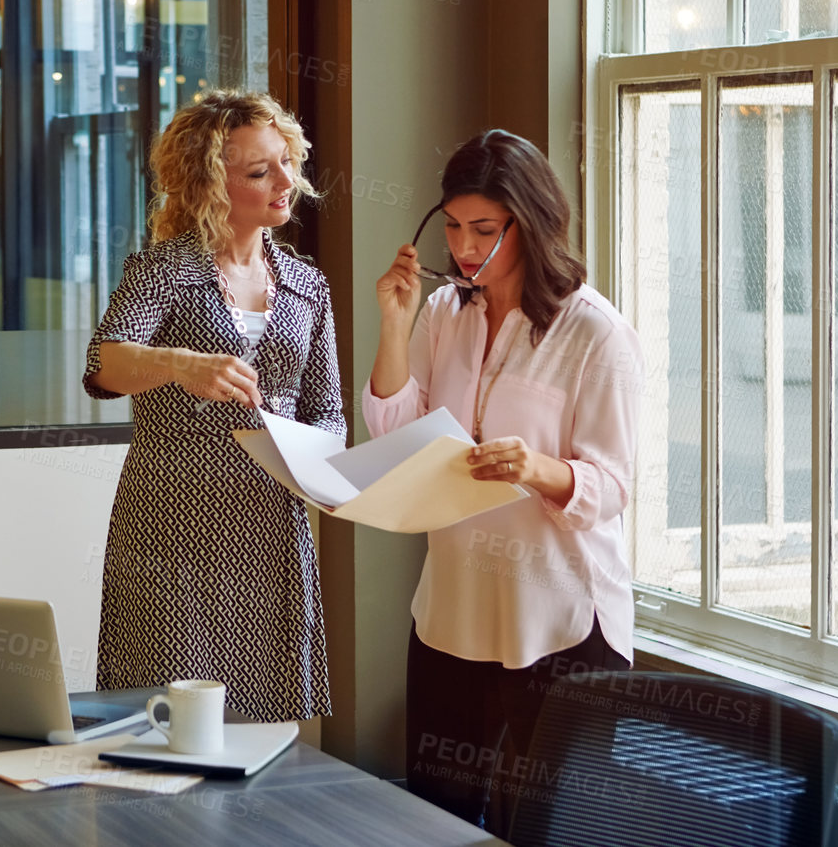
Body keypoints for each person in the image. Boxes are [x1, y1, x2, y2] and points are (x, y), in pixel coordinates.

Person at [364, 128, 642, 834]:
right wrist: (393, 328)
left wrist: (536, 468)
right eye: (453, 227)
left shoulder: (595, 334)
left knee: (555, 830)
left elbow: (612, 485)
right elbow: (395, 440)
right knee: (436, 822)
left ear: (533, 222)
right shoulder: (442, 313)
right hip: (453, 613)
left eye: (484, 229)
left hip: (562, 624)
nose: (463, 248)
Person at [83, 89, 343, 721]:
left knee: (261, 715)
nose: (287, 181)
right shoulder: (163, 271)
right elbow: (103, 364)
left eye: (286, 161)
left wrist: (325, 475)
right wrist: (178, 363)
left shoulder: (307, 284)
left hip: (270, 521)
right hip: (173, 519)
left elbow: (328, 413)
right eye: (260, 171)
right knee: (167, 711)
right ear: (210, 185)